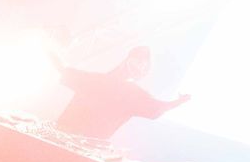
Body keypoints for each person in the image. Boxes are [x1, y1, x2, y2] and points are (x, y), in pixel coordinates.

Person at [53, 45, 190, 140]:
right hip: (62, 139)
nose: (139, 64)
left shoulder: (135, 95)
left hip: (78, 145)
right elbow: (158, 108)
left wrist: (179, 101)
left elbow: (157, 108)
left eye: (143, 62)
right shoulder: (97, 81)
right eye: (138, 60)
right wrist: (179, 102)